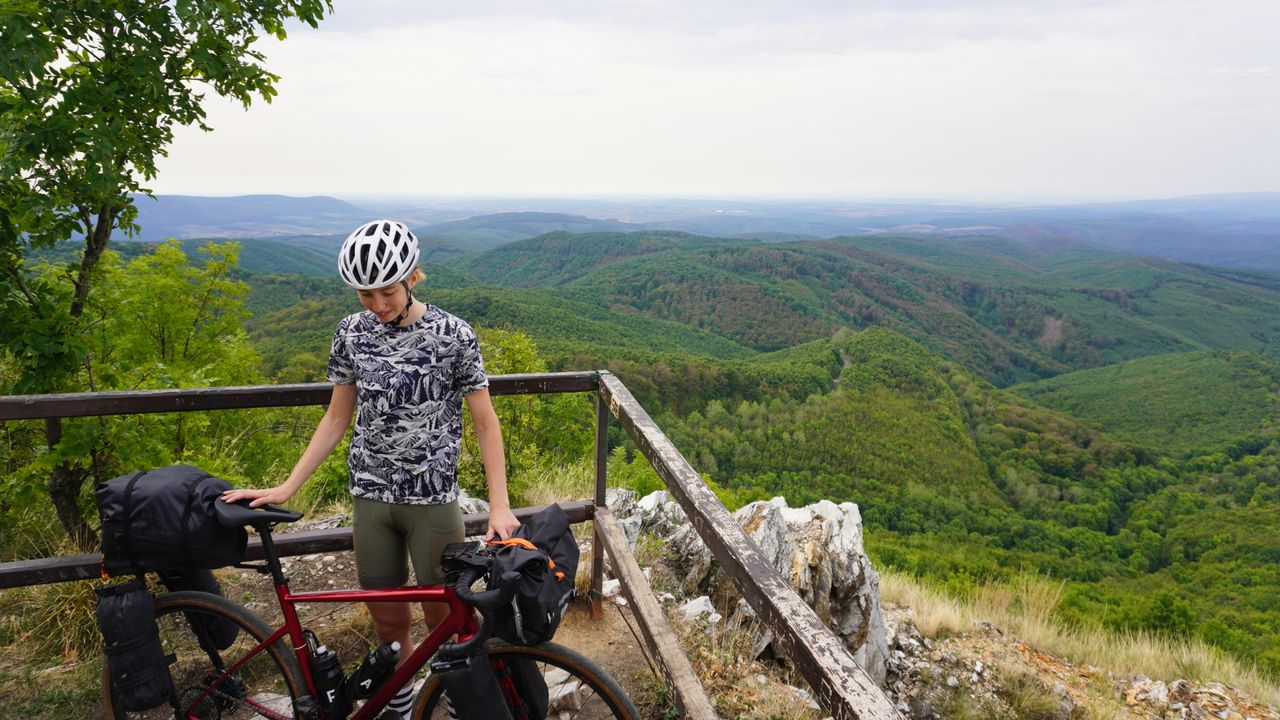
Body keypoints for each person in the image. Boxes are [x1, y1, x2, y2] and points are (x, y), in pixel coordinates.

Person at [222, 219, 519, 718]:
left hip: (431, 501)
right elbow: (338, 416)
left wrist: (500, 505)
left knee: (445, 619)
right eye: (366, 295)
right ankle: (400, 708)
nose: (378, 305)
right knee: (388, 624)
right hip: (371, 497)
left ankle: (455, 704)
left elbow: (486, 424)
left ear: (412, 278)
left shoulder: (453, 334)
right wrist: (287, 485)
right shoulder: (351, 332)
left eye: (386, 292)